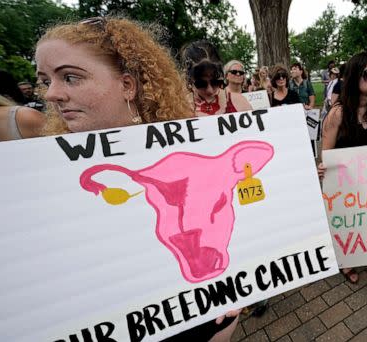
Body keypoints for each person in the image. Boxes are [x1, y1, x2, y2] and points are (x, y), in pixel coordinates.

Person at [35, 16, 238, 341]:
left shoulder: (188, 152)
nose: (52, 94)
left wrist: (240, 282)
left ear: (127, 85)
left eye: (70, 77)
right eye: (45, 81)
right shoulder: (37, 185)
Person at [318, 51, 367, 309]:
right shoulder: (338, 113)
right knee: (353, 224)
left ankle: (352, 260)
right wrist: (321, 169)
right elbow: (326, 154)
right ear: (354, 78)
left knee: (365, 223)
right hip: (343, 183)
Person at [181, 40, 252, 116]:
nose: (210, 90)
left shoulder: (239, 102)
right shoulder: (178, 109)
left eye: (216, 82)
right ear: (189, 80)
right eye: (201, 84)